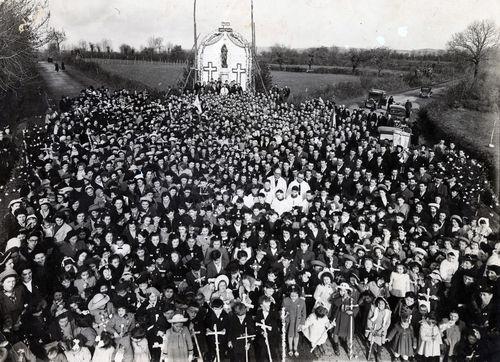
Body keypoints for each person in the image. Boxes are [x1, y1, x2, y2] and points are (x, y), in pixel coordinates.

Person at [282, 285, 306, 357]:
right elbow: (282, 311)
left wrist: (302, 323)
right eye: (291, 296)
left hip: (297, 322)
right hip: (289, 321)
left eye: (295, 296)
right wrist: (283, 316)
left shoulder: (302, 301)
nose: (293, 297)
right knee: (290, 335)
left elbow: (304, 313)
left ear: (298, 294)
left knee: (296, 335)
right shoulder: (285, 300)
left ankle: (295, 348)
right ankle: (290, 348)